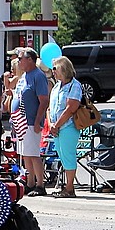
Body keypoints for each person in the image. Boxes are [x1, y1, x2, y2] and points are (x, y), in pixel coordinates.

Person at [44, 55, 83, 199]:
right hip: (56, 128)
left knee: (68, 156)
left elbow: (70, 108)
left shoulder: (75, 85)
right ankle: (67, 186)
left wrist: (57, 124)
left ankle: (69, 187)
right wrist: (51, 124)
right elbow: (49, 108)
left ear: (64, 69)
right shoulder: (56, 86)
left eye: (56, 68)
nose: (53, 71)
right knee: (61, 155)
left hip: (68, 127)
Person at [13, 47, 50, 196]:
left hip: (31, 122)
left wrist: (37, 121)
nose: (18, 61)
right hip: (21, 121)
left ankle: (40, 184)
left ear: (30, 60)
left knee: (34, 154)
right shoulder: (24, 76)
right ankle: (30, 182)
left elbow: (44, 100)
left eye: (21, 59)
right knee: (25, 154)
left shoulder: (38, 76)